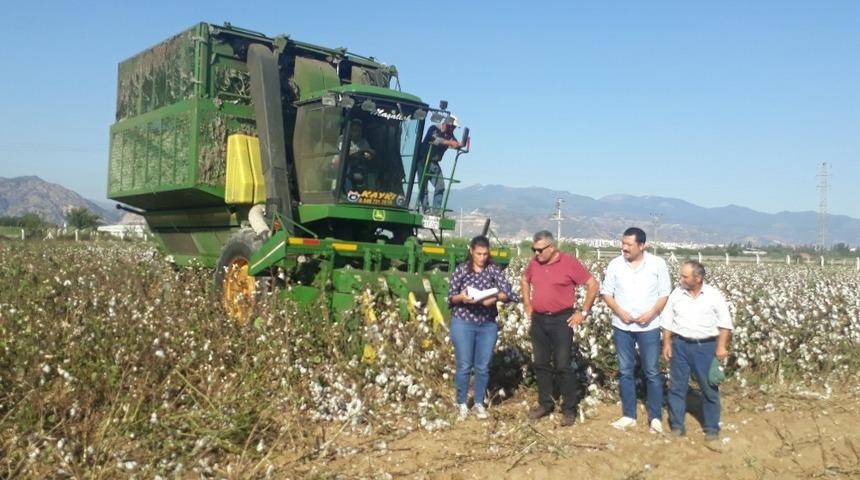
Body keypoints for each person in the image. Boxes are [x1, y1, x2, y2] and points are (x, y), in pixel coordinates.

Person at [521, 230, 599, 426]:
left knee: (563, 365)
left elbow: (592, 284)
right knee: (540, 363)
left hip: (561, 320)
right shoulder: (534, 263)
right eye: (533, 250)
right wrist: (527, 304)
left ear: (551, 247)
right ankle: (545, 404)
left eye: (539, 250)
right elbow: (524, 280)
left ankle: (569, 409)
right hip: (539, 319)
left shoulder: (569, 263)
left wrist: (583, 312)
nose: (536, 254)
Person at [601, 227, 671, 433]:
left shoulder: (657, 264)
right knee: (625, 371)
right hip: (622, 326)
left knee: (651, 371)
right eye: (623, 243)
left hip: (649, 327)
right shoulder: (615, 265)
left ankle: (655, 417)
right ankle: (628, 415)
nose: (624, 248)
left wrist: (652, 313)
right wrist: (619, 312)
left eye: (629, 245)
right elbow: (607, 293)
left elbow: (664, 294)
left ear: (642, 245)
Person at [661, 260, 733, 441]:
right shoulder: (676, 294)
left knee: (709, 389)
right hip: (680, 346)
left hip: (706, 347)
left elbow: (725, 324)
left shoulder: (713, 296)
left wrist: (721, 347)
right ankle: (677, 426)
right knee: (677, 388)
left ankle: (711, 428)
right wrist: (667, 343)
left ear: (698, 278)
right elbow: (667, 321)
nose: (681, 279)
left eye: (685, 276)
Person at [448, 235, 518, 420]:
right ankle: (462, 403)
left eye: (485, 254)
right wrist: (462, 297)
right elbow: (450, 298)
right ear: (471, 251)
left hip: (487, 324)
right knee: (464, 365)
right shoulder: (461, 271)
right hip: (463, 322)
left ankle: (479, 402)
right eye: (478, 254)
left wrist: (494, 298)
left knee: (483, 366)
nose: (482, 257)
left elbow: (510, 293)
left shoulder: (493, 271)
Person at [418, 115, 461, 212]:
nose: (453, 129)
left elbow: (454, 143)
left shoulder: (449, 134)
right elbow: (435, 140)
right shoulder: (434, 128)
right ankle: (426, 210)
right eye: (453, 127)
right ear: (447, 124)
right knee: (423, 188)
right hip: (423, 161)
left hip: (434, 163)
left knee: (440, 186)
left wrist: (459, 145)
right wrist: (450, 143)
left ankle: (436, 212)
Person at [333, 119, 376, 192]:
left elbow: (370, 152)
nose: (358, 133)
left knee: (372, 175)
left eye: (359, 130)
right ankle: (347, 193)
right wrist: (359, 152)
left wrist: (369, 155)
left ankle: (370, 195)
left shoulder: (363, 141)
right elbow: (345, 153)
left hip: (359, 167)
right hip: (344, 167)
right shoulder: (343, 138)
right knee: (347, 171)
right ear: (350, 131)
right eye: (355, 130)